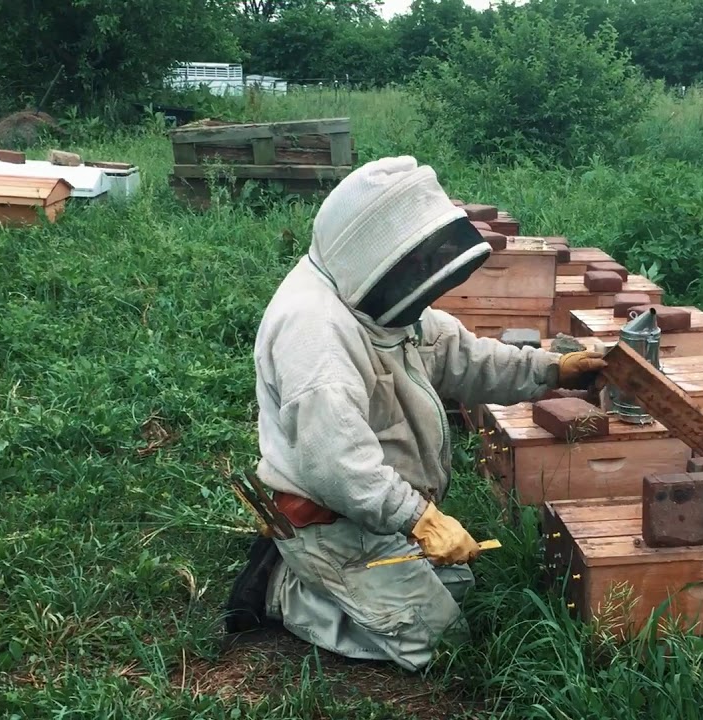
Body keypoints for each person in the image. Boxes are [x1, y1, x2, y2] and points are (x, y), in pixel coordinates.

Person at [224, 155, 608, 672]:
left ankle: (331, 577)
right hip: (336, 518)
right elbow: (337, 465)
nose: (418, 279)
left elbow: (463, 358)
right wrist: (417, 518)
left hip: (378, 514)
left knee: (460, 586)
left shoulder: (376, 303)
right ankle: (285, 590)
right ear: (369, 254)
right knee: (440, 642)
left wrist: (551, 369)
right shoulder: (313, 334)